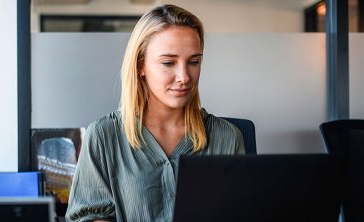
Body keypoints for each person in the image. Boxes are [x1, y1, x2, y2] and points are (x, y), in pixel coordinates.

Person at [65, 4, 245, 222]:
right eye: (168, 63)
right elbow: (90, 216)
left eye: (194, 62)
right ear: (141, 65)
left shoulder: (227, 137)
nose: (184, 76)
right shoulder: (104, 136)